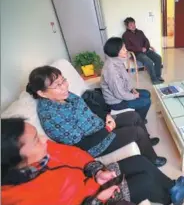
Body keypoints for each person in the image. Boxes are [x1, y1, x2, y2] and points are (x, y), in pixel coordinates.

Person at [1, 118, 184, 205]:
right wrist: (98, 199)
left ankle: (173, 188)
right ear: (14, 160)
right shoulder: (22, 197)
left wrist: (96, 170)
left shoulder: (44, 152)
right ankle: (170, 199)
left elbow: (74, 154)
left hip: (91, 180)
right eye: (36, 140)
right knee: (145, 181)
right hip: (94, 198)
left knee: (139, 161)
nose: (44, 140)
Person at [26, 66, 167, 167]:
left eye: (64, 80)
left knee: (134, 116)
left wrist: (106, 116)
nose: (64, 86)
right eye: (57, 85)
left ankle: (146, 141)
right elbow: (80, 145)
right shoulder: (51, 117)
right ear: (42, 93)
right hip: (94, 144)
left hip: (100, 125)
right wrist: (107, 129)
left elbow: (87, 108)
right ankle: (152, 159)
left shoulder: (65, 96)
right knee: (136, 132)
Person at [101, 37, 152, 121]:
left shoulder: (117, 61)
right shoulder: (111, 70)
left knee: (147, 93)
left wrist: (132, 89)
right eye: (123, 48)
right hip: (116, 102)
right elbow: (119, 94)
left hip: (123, 93)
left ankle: (136, 112)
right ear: (116, 51)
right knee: (146, 101)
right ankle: (139, 120)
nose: (126, 50)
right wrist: (133, 96)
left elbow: (125, 79)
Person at [122, 17, 164, 85]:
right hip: (137, 53)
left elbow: (146, 40)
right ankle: (154, 79)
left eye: (133, 24)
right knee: (149, 62)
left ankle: (158, 76)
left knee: (158, 58)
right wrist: (140, 49)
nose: (133, 26)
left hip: (146, 50)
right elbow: (128, 47)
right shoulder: (125, 35)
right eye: (130, 25)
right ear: (127, 26)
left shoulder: (140, 32)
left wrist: (145, 47)